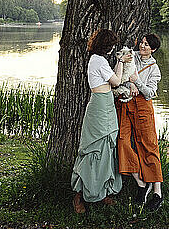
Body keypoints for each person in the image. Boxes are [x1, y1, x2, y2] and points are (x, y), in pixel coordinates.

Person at [71, 28, 133, 214]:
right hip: (99, 107)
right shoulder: (98, 60)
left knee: (107, 148)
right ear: (105, 45)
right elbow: (116, 81)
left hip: (106, 104)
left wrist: (118, 64)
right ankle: (80, 195)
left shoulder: (100, 61)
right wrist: (121, 61)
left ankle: (102, 191)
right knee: (95, 149)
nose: (113, 48)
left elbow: (112, 78)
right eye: (111, 45)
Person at [115, 33, 163, 212]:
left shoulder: (154, 68)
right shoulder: (131, 56)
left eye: (147, 45)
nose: (142, 46)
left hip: (143, 106)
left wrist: (138, 83)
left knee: (149, 145)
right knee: (123, 142)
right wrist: (130, 84)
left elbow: (150, 92)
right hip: (125, 104)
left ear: (153, 49)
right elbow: (118, 75)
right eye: (142, 43)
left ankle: (157, 192)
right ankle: (141, 183)